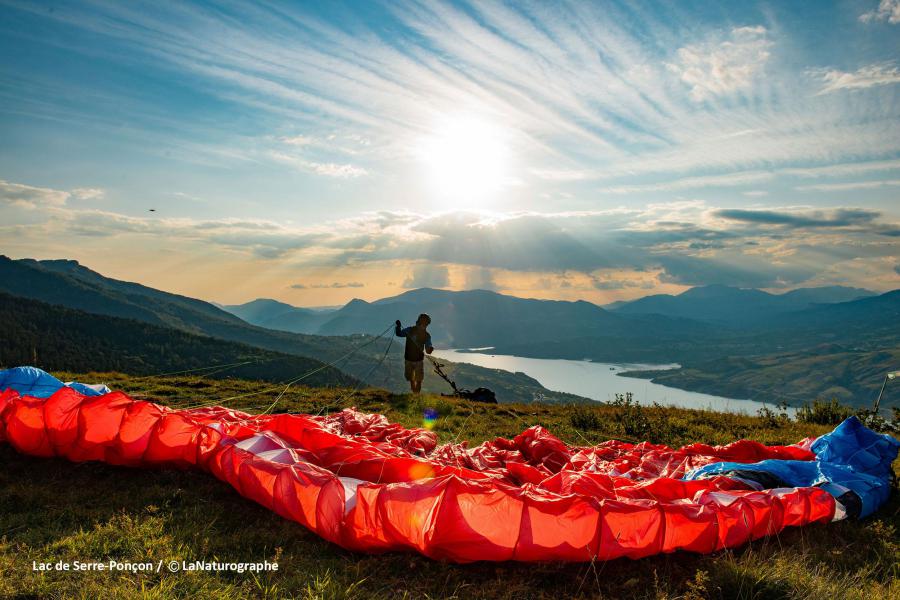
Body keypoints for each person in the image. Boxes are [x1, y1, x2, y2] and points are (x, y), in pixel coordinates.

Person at [395, 314, 434, 394]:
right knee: (411, 378)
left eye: (426, 324)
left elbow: (427, 349)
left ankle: (416, 395)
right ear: (420, 323)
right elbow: (399, 334)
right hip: (410, 359)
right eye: (425, 324)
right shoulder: (410, 330)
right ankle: (414, 393)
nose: (425, 326)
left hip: (417, 360)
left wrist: (430, 349)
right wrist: (398, 326)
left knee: (418, 380)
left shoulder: (426, 335)